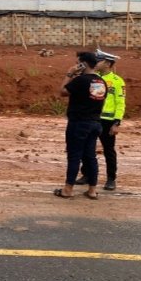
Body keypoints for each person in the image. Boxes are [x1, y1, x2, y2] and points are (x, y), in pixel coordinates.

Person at [54, 51, 107, 200]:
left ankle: (68, 189)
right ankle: (92, 190)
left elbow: (62, 92)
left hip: (79, 123)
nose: (76, 65)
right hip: (95, 123)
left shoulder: (81, 80)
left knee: (74, 156)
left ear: (83, 64)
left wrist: (69, 74)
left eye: (78, 63)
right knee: (90, 157)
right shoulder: (101, 82)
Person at [76, 50, 125, 191]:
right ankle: (86, 174)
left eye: (99, 61)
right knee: (87, 148)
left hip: (108, 121)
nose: (96, 63)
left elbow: (120, 103)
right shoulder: (92, 78)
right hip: (92, 118)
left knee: (109, 150)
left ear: (108, 63)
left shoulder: (117, 81)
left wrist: (117, 122)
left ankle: (111, 179)